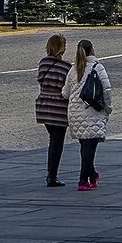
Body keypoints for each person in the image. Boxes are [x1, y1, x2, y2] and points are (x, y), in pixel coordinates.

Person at [60, 39, 112, 192]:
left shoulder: (73, 69)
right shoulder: (98, 67)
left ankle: (92, 175)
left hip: (75, 113)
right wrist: (108, 108)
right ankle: (84, 179)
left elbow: (65, 93)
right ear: (92, 50)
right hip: (94, 111)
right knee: (90, 147)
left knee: (85, 147)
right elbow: (106, 91)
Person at [35, 34, 72, 187]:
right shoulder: (66, 67)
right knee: (57, 142)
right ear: (62, 48)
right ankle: (52, 176)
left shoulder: (43, 63)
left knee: (53, 139)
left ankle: (52, 175)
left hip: (43, 106)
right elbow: (68, 87)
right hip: (58, 108)